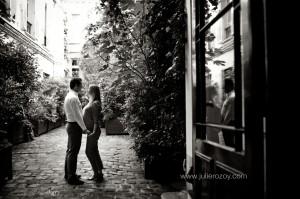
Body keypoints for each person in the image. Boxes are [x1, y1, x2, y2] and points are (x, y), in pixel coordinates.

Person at [64, 78, 90, 185]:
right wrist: (84, 128)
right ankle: (71, 177)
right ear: (75, 85)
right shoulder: (73, 98)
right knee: (73, 152)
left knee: (70, 151)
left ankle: (68, 173)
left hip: (71, 124)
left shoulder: (69, 96)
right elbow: (77, 116)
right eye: (80, 85)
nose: (81, 87)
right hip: (74, 126)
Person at [83, 85, 104, 182]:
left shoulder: (95, 103)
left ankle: (96, 173)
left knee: (88, 152)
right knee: (94, 151)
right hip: (91, 131)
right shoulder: (92, 102)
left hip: (93, 131)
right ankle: (99, 173)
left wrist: (94, 132)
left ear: (94, 92)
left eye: (89, 90)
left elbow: (96, 120)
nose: (87, 91)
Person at [221, 78, 235, 147]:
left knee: (229, 145)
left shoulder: (232, 98)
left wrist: (223, 126)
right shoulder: (229, 97)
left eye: (224, 86)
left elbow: (229, 115)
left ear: (229, 86)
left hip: (228, 125)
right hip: (227, 125)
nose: (223, 88)